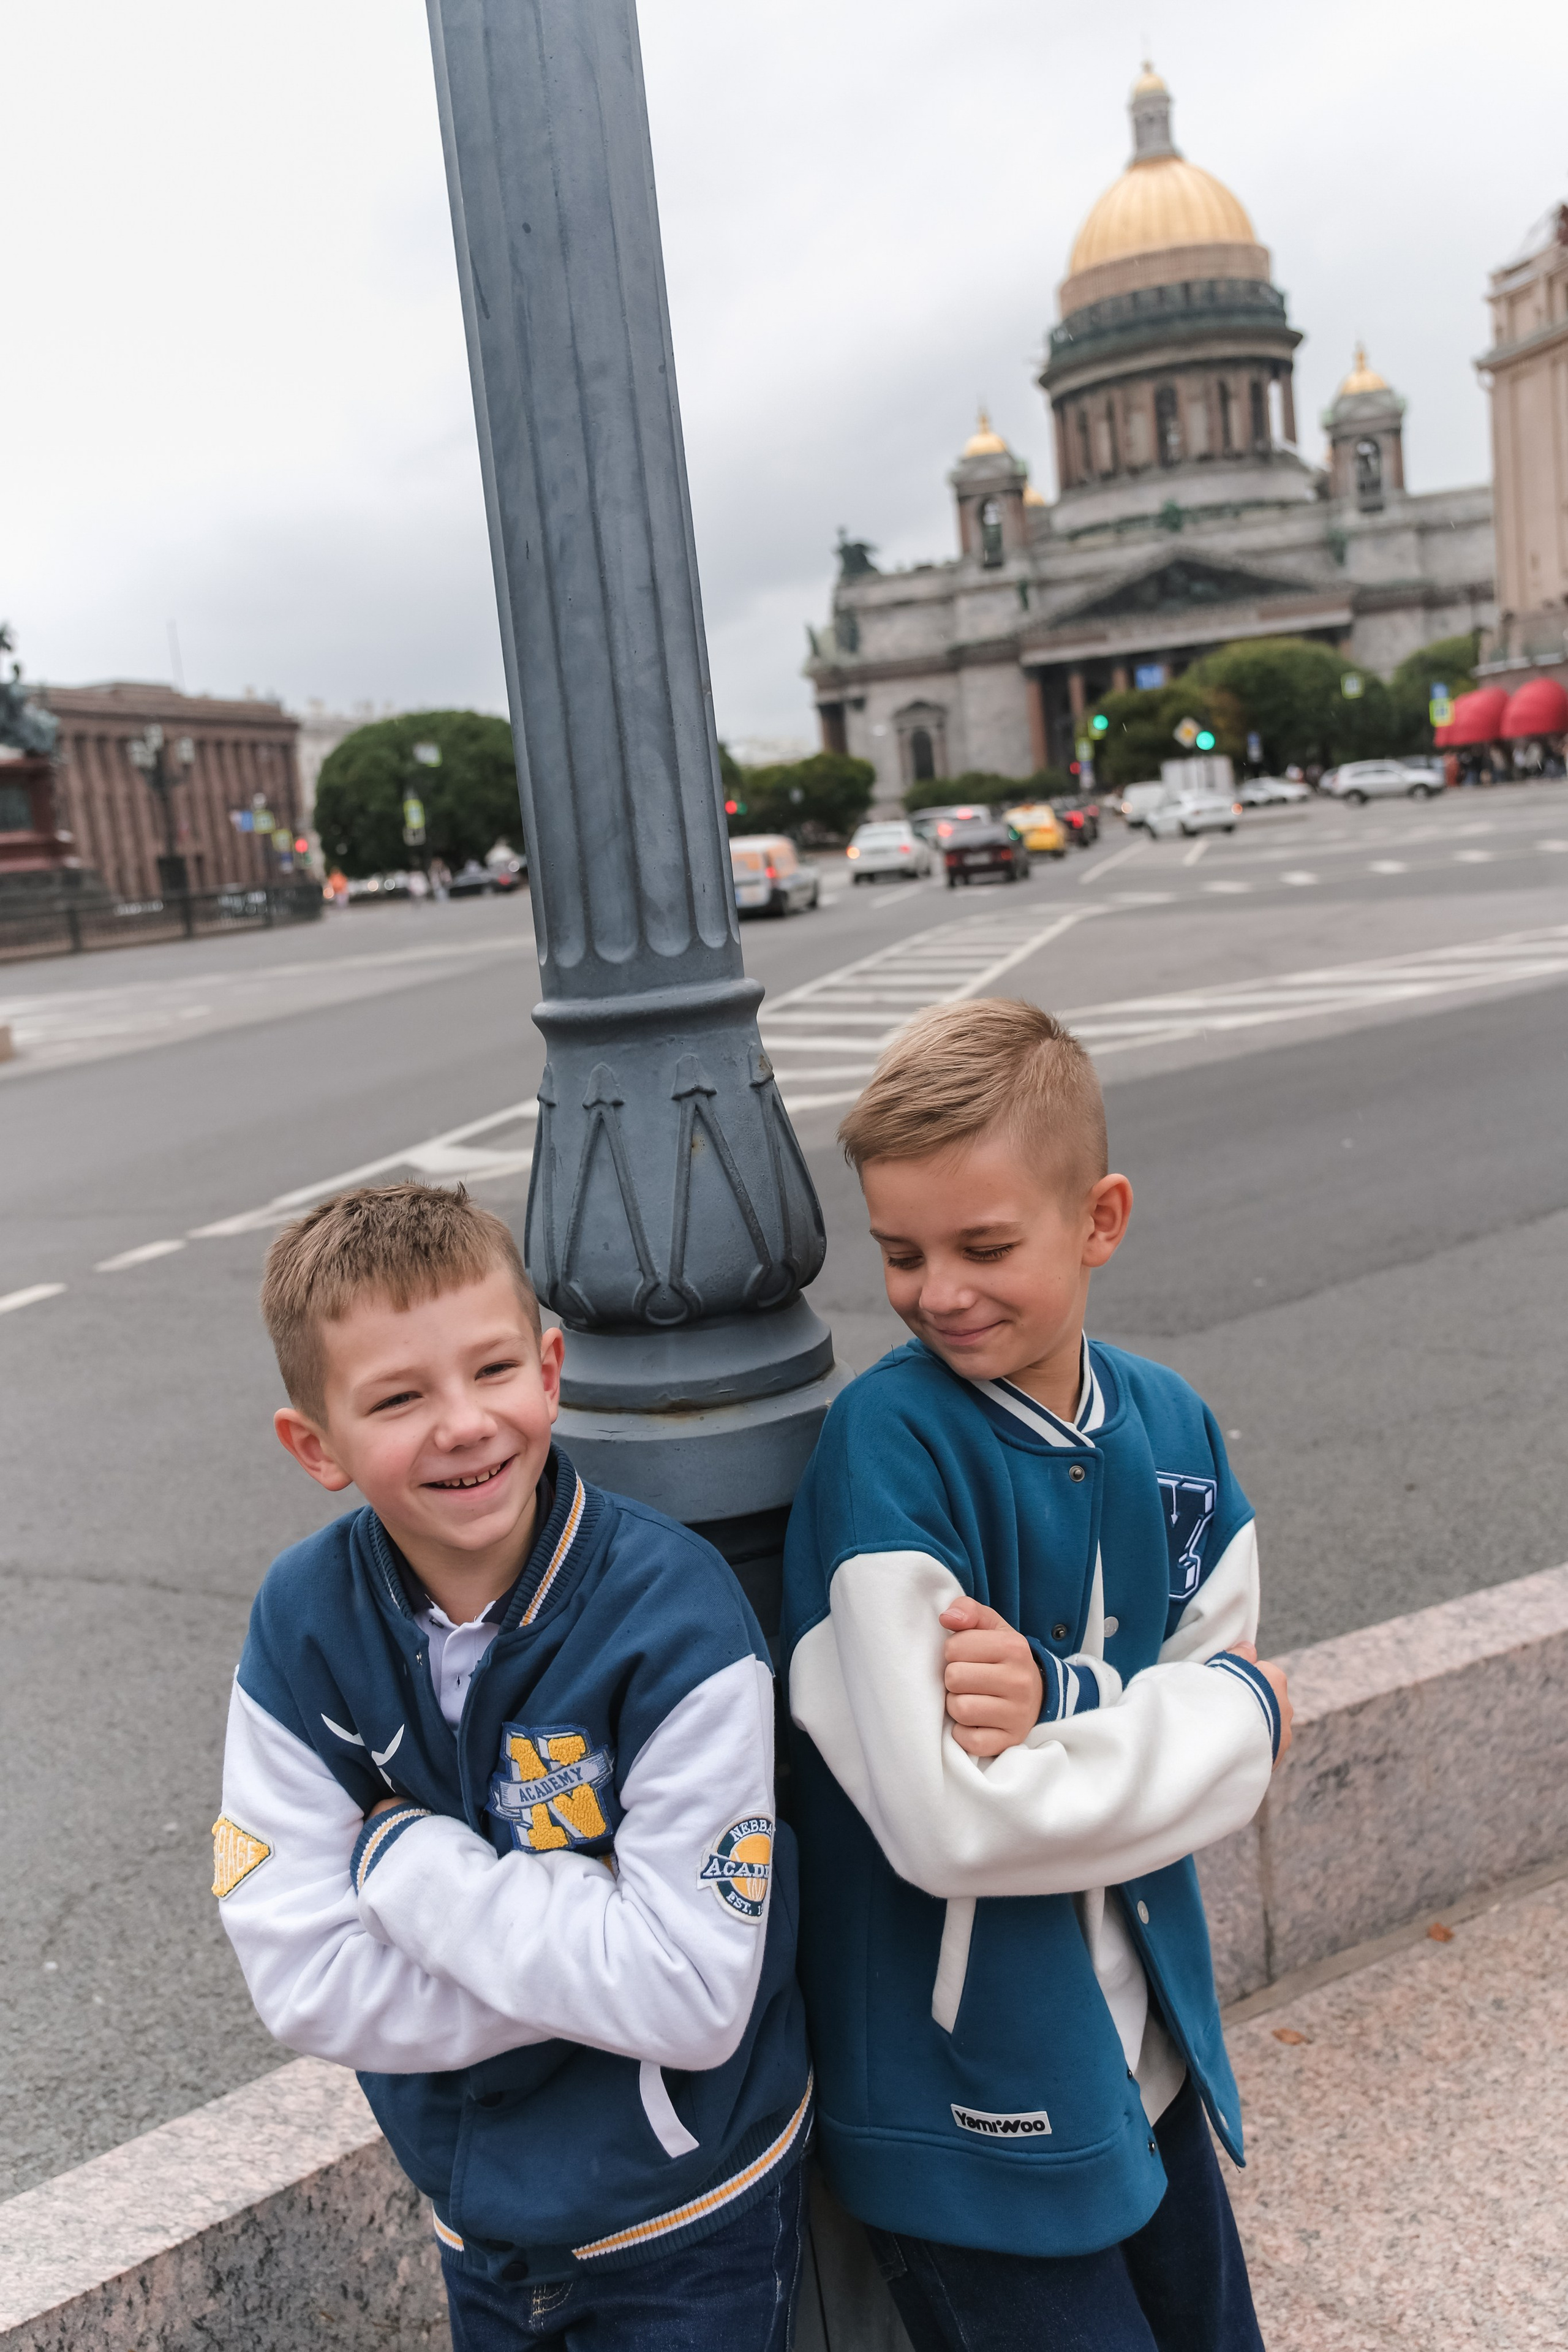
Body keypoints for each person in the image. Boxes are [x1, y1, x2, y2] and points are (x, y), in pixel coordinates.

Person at [214, 1183, 810, 2351]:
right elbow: (300, 1979)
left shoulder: (676, 1617)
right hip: (475, 2209)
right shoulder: (303, 1622)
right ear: (315, 1446)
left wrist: (404, 1864)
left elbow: (689, 1996)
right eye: (397, 1398)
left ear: (550, 1369)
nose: (464, 1424)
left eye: (492, 1372)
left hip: (689, 2210)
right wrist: (594, 1961)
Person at [782, 999, 1292, 2352]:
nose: (936, 1290)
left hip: (1151, 2059)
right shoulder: (883, 1451)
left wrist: (1074, 1709)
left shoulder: (1173, 1429)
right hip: (970, 2101)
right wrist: (1211, 1722)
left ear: (1098, 1219)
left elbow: (1226, 1721)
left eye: (982, 1245)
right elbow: (949, 1819)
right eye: (898, 1253)